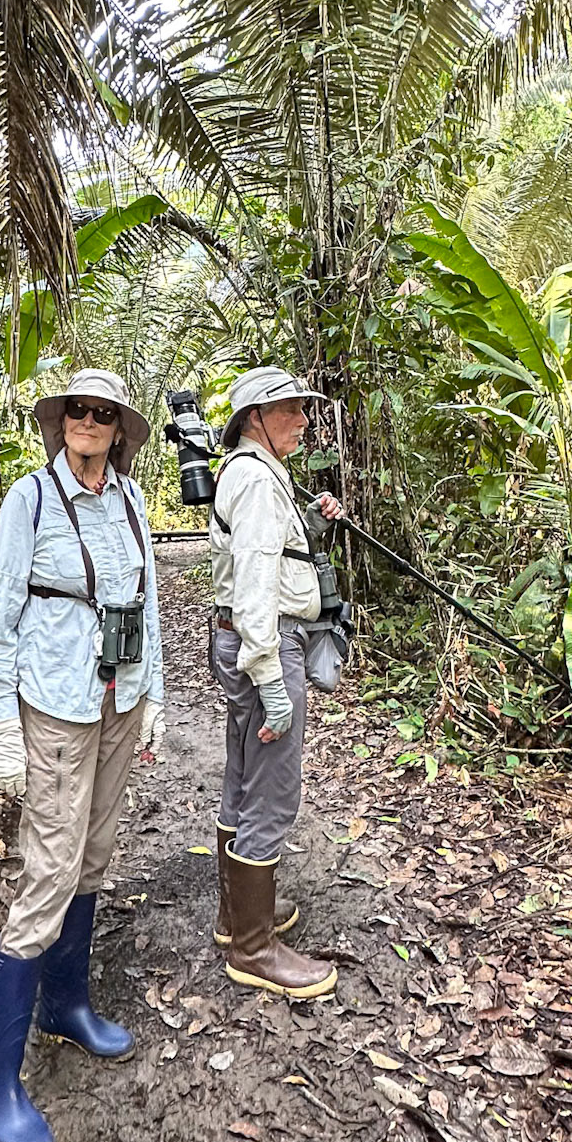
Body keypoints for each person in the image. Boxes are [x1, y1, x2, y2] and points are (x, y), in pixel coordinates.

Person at [0, 368, 165, 1142]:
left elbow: (147, 598)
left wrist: (154, 690)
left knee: (93, 854)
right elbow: (0, 613)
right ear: (61, 423)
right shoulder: (31, 500)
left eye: (102, 412)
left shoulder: (129, 499)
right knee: (47, 872)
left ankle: (67, 1002)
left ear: (119, 427)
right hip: (53, 703)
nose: (88, 421)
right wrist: (4, 725)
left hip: (117, 699)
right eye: (76, 410)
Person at [208, 365, 341, 1000]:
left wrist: (311, 525)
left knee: (244, 775)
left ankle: (238, 917)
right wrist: (271, 679)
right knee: (275, 787)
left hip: (240, 636)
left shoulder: (253, 475)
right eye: (291, 408)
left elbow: (270, 557)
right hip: (264, 642)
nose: (303, 419)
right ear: (256, 418)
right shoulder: (257, 481)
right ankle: (255, 950)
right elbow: (257, 586)